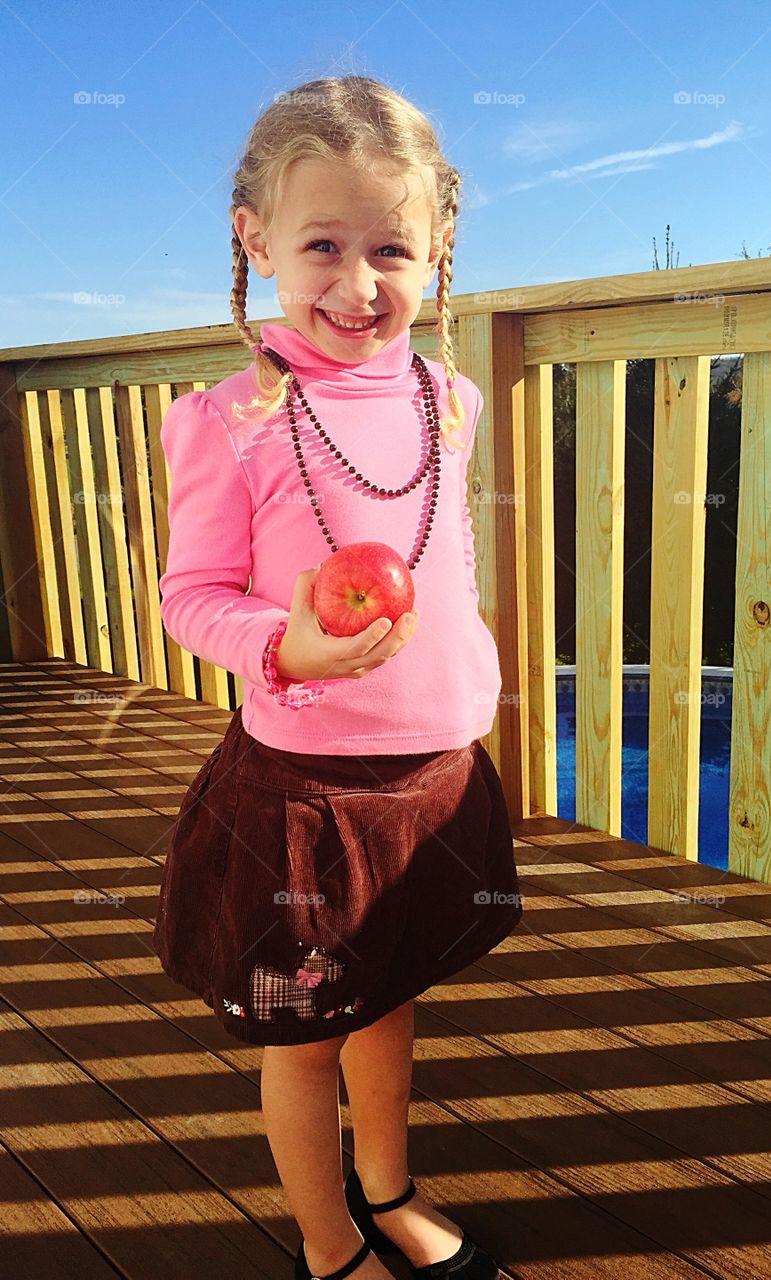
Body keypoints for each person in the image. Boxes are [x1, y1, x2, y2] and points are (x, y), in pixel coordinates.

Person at [152, 74, 523, 1280]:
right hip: (306, 796)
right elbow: (189, 594)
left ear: (439, 248)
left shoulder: (448, 397)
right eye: (322, 245)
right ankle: (328, 1245)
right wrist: (285, 648)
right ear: (256, 240)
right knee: (307, 1037)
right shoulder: (227, 418)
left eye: (392, 248)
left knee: (391, 1001)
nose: (360, 286)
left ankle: (390, 1188)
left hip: (431, 780)